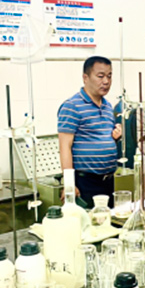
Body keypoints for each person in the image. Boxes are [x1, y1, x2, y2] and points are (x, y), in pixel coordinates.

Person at [58, 56, 122, 207]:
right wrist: (69, 185)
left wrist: (115, 138)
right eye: (100, 76)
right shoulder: (72, 106)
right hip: (86, 182)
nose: (106, 81)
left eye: (109, 76)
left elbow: (100, 139)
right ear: (85, 78)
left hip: (108, 181)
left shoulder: (107, 106)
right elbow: (64, 146)